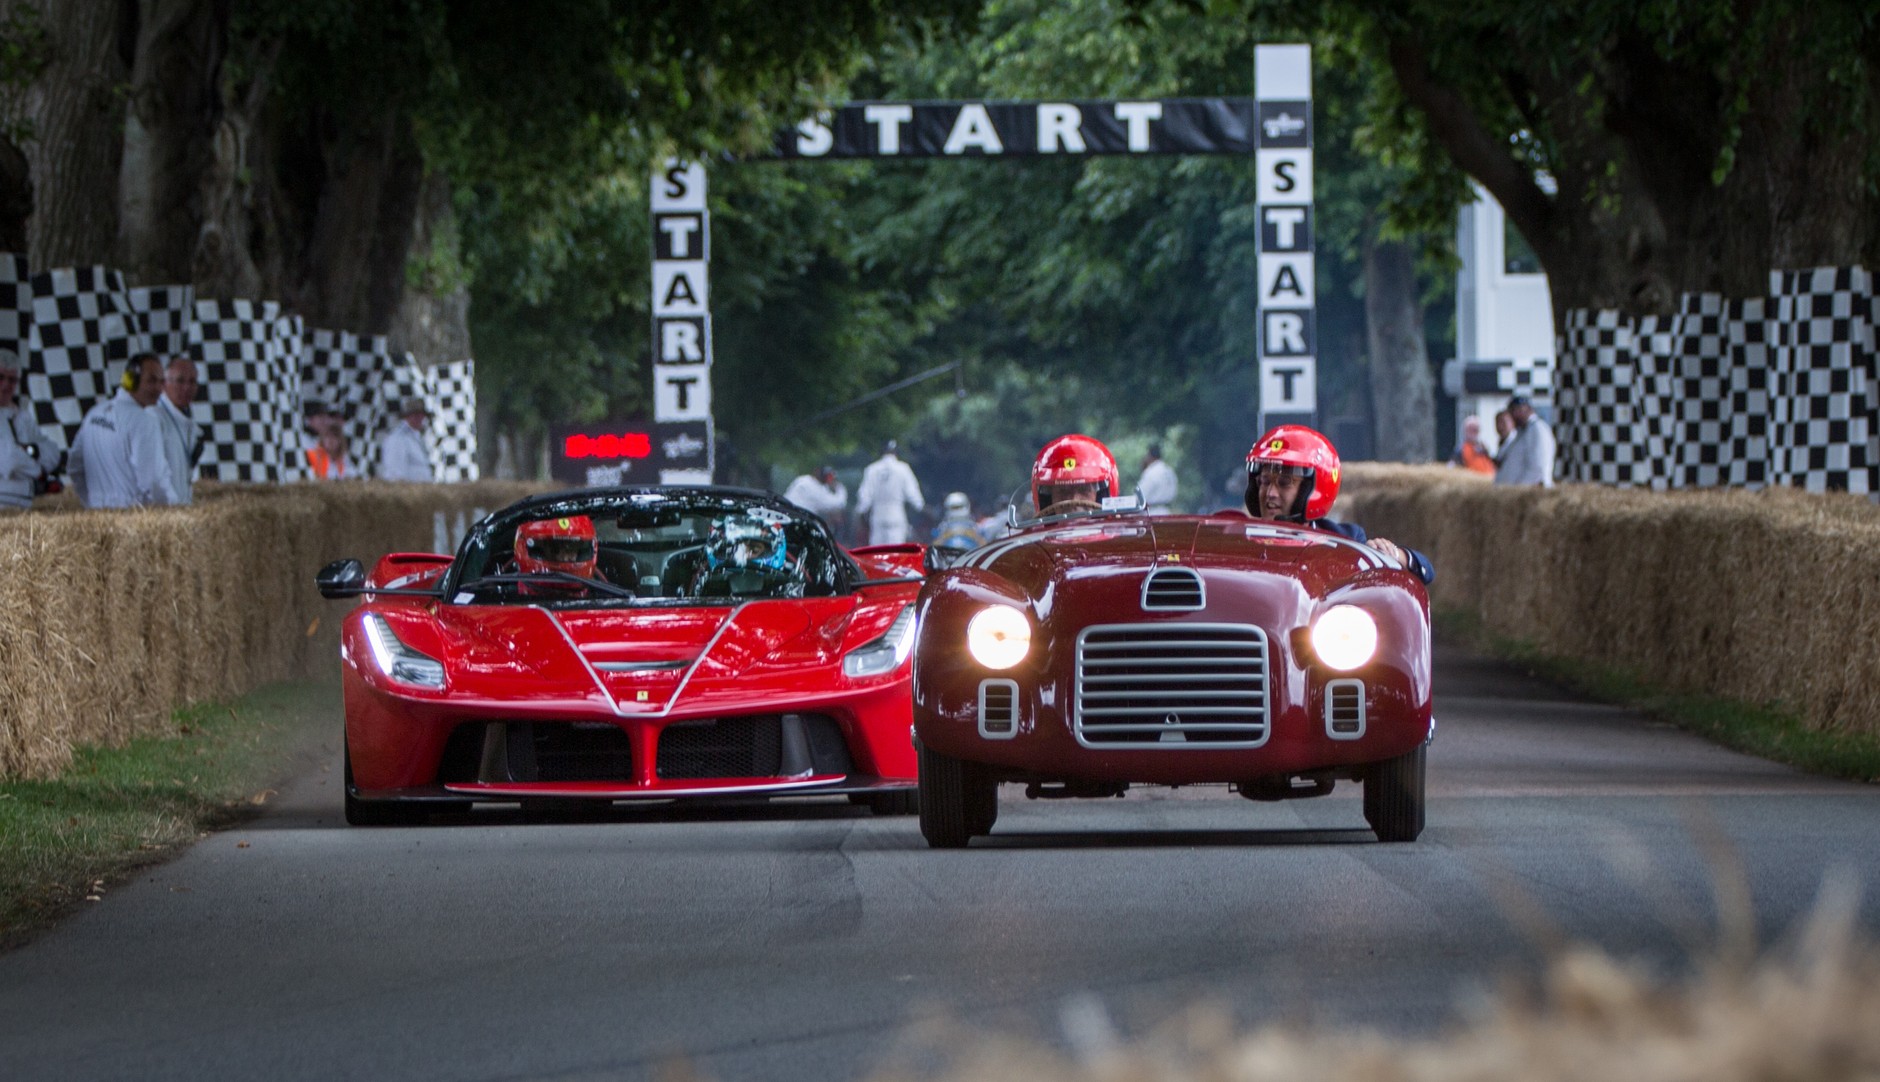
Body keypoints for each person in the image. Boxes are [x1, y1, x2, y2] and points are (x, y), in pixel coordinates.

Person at [1243, 424, 1434, 584]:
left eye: (1284, 483)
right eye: (1264, 481)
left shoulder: (1345, 540)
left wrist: (1392, 555)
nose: (1270, 493)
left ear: (1312, 489)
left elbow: (1426, 571)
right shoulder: (1239, 540)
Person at [68, 353, 180, 508]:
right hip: (133, 516)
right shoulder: (144, 421)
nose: (159, 389)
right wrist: (173, 509)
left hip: (96, 514)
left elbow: (74, 467)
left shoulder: (94, 414)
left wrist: (92, 502)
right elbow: (153, 481)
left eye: (161, 382)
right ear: (130, 381)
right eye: (152, 380)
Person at [0, 350, 62, 510]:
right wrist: (39, 474)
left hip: (21, 500)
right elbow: (8, 459)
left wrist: (32, 450)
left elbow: (53, 452)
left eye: (12, 380)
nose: (6, 385)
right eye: (0, 378)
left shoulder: (21, 416)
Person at [853, 438, 924, 544]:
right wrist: (920, 506)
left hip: (878, 516)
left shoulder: (872, 469)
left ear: (881, 452)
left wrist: (860, 511)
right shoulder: (903, 468)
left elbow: (865, 496)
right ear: (896, 452)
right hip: (896, 515)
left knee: (878, 550)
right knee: (896, 550)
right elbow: (912, 493)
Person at [1032, 433, 1119, 515]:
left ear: (1101, 495)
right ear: (1048, 500)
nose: (1074, 500)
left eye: (1084, 490)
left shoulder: (1122, 526)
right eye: (1063, 491)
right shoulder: (1035, 527)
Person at [154, 356, 201, 505]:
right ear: (164, 384)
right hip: (162, 510)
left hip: (181, 508)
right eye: (180, 381)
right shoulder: (153, 417)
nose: (187, 388)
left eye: (192, 382)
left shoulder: (189, 423)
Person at [513, 514, 599, 596]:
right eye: (555, 549)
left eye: (572, 549)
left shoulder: (601, 591)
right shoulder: (508, 596)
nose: (564, 558)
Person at [1494, 394, 1556, 487]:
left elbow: (1537, 468)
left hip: (1529, 492)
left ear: (1522, 410)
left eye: (1513, 412)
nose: (1512, 417)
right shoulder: (1523, 431)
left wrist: (1519, 489)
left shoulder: (1537, 429)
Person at [377, 396, 434, 482]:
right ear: (407, 417)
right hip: (408, 489)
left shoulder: (416, 438)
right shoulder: (398, 439)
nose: (420, 418)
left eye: (421, 415)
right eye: (415, 415)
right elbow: (395, 475)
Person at [1136, 442, 1178, 513]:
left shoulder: (1151, 471)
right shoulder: (1169, 471)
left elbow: (1140, 496)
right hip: (1167, 512)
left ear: (1149, 456)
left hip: (1153, 512)